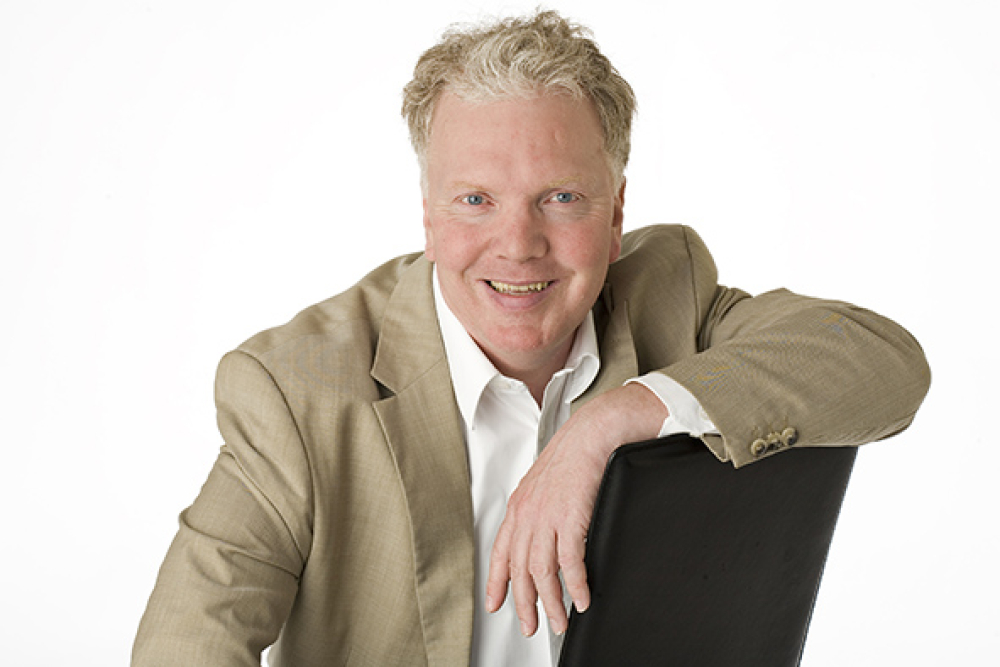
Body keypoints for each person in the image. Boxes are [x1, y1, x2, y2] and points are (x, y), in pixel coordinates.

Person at [132, 10, 930, 666]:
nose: (518, 246)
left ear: (616, 214)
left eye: (561, 197)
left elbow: (881, 360)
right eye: (475, 199)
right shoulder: (296, 386)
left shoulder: (667, 301)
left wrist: (612, 418)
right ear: (427, 215)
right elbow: (185, 643)